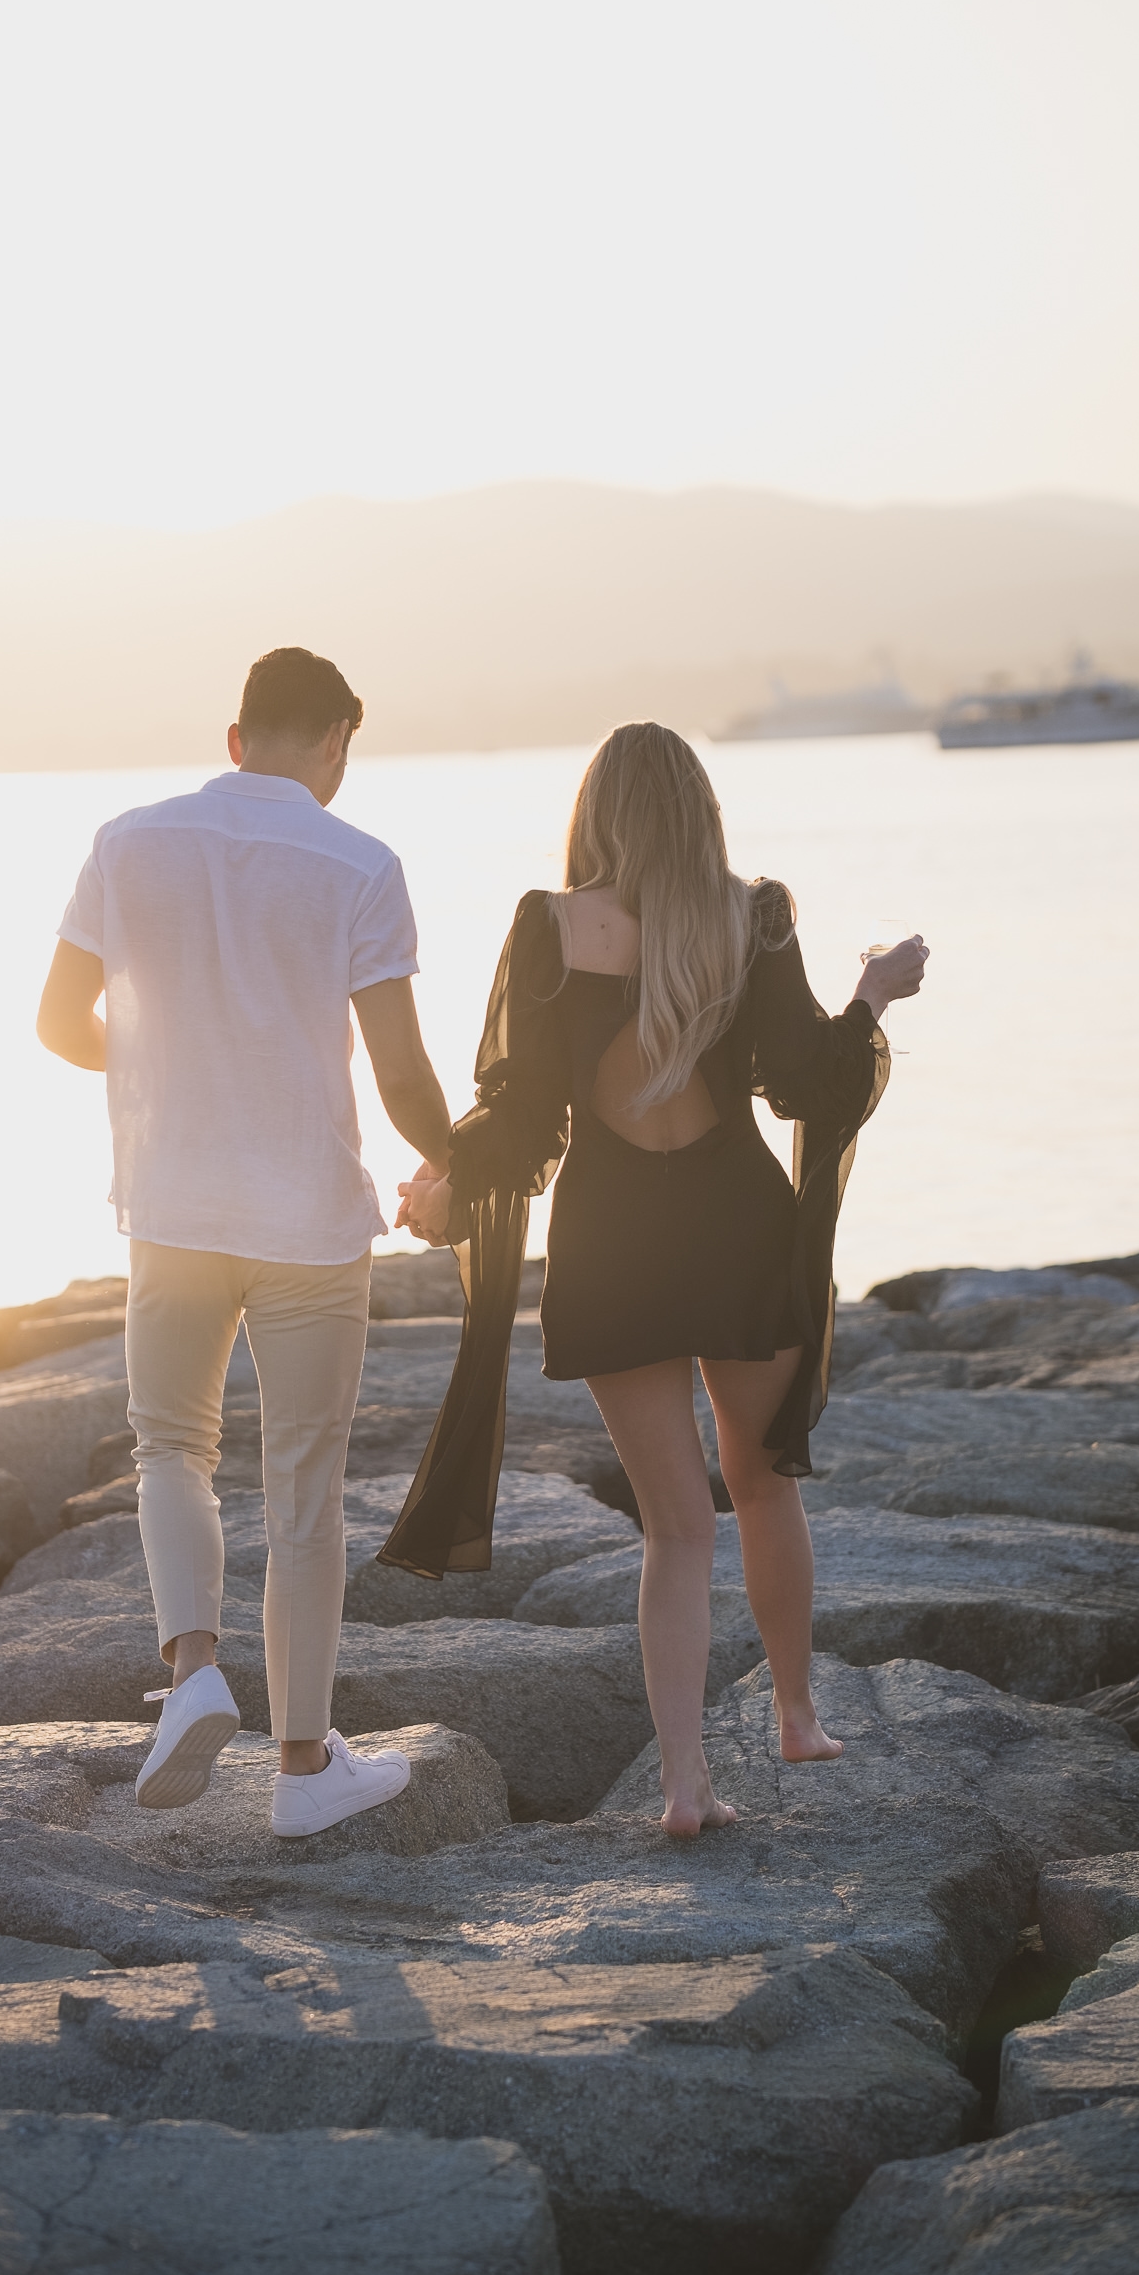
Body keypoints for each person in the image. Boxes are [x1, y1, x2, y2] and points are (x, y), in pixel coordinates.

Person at [384, 721, 927, 1837]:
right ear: (698, 811)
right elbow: (809, 1083)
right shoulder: (754, 915)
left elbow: (522, 1110)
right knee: (762, 1486)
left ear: (597, 814)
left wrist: (449, 1176)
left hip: (612, 1244)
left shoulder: (548, 925)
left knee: (675, 1528)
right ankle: (795, 1715)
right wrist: (873, 993)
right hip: (739, 1228)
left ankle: (684, 1783)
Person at [36, 647, 454, 1835]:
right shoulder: (361, 863)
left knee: (170, 1447)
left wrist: (164, 1072)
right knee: (303, 1488)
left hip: (172, 1205)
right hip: (309, 1220)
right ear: (335, 743)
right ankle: (303, 1770)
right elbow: (401, 1072)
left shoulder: (126, 843)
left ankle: (192, 1674)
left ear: (234, 737)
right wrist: (461, 1160)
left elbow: (58, 1021)